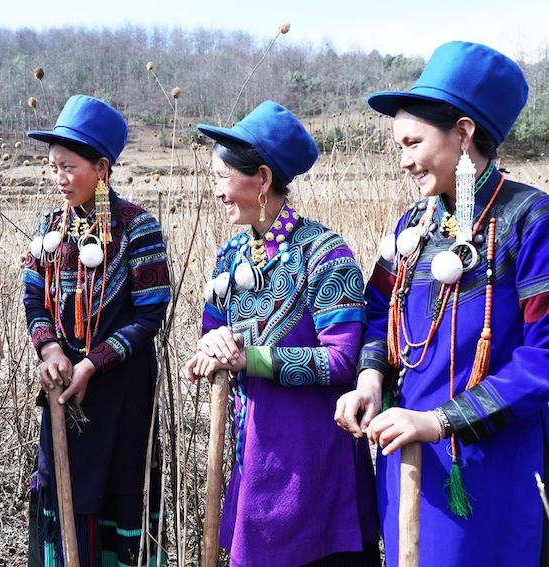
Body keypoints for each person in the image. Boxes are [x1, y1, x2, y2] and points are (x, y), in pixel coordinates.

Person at [334, 41, 549, 565]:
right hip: (408, 455)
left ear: (464, 133)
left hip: (487, 466)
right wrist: (370, 379)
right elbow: (375, 312)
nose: (404, 160)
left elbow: (543, 358)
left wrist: (440, 421)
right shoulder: (414, 226)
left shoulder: (531, 221)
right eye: (399, 146)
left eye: (413, 143)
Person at [182, 100, 379, 566]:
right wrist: (209, 350)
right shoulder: (230, 256)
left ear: (264, 180)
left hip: (313, 464)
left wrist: (250, 359)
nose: (215, 192)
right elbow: (213, 334)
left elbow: (341, 361)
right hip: (254, 458)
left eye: (221, 178)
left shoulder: (326, 254)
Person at [22, 95, 172, 566]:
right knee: (64, 486)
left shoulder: (137, 229)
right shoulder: (50, 229)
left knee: (119, 485)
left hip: (121, 387)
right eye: (53, 168)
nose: (59, 179)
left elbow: (149, 314)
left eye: (69, 167)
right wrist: (50, 350)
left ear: (102, 167)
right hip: (63, 386)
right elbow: (33, 297)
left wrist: (92, 362)